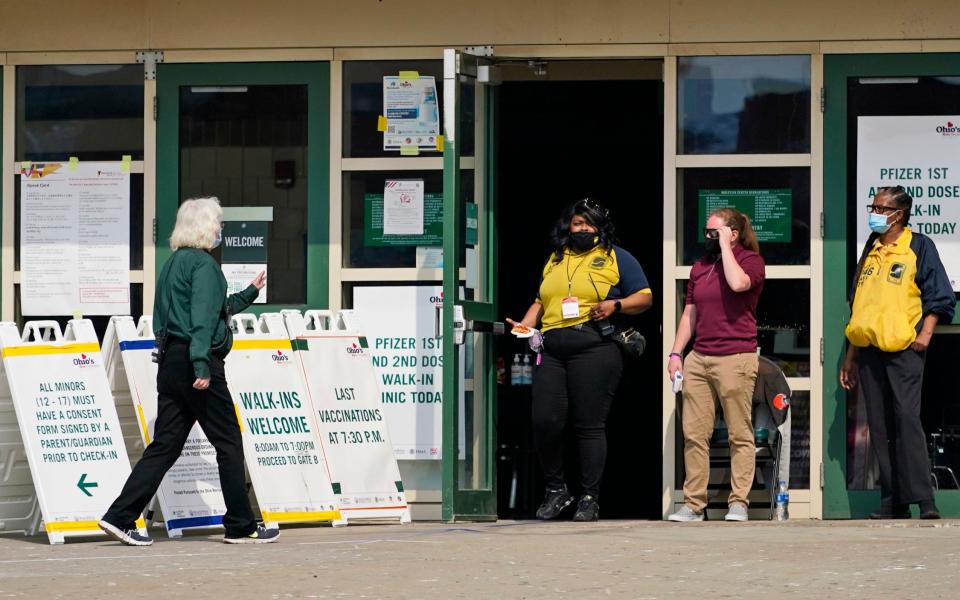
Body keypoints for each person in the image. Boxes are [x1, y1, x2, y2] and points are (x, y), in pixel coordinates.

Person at [99, 197, 277, 546]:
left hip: (168, 363)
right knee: (228, 443)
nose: (220, 230)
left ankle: (118, 517)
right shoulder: (205, 266)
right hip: (199, 363)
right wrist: (201, 365)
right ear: (206, 227)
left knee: (164, 446)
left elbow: (207, 310)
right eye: (219, 224)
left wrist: (248, 294)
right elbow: (201, 322)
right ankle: (241, 525)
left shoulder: (173, 264)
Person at [507, 198, 652, 522]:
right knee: (545, 421)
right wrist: (525, 325)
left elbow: (645, 297)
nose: (583, 229)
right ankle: (557, 490)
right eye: (577, 224)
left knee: (588, 425)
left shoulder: (616, 256)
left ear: (600, 226)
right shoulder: (555, 259)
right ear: (568, 226)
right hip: (552, 346)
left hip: (594, 346)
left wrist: (615, 306)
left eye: (589, 224)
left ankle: (589, 497)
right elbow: (540, 300)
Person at [840, 186, 955, 520]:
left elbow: (940, 295)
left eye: (880, 207)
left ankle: (925, 500)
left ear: (898, 214)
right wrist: (851, 355)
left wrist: (926, 334)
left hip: (905, 347)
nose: (873, 212)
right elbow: (859, 307)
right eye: (872, 206)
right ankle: (894, 500)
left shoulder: (919, 245)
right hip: (870, 351)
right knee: (880, 425)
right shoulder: (871, 248)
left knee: (907, 420)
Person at [667, 207, 765, 523]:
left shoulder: (751, 262)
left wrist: (725, 249)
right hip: (700, 358)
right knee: (694, 434)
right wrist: (676, 354)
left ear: (732, 234)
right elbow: (689, 314)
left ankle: (739, 503)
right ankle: (694, 504)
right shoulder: (699, 268)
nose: (708, 237)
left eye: (715, 232)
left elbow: (738, 285)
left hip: (736, 357)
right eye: (707, 233)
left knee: (739, 432)